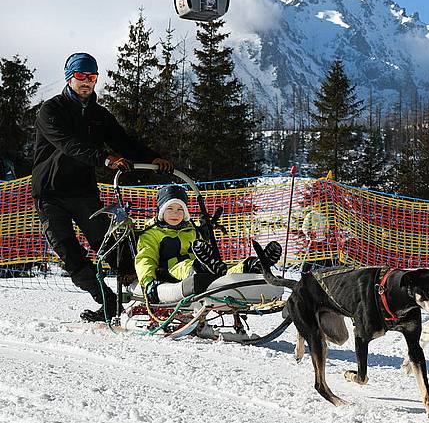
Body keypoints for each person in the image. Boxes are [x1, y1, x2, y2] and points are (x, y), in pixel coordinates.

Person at [33, 52, 174, 322]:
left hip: (82, 191)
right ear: (69, 77)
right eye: (81, 76)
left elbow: (123, 141)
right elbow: (68, 145)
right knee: (70, 252)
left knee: (109, 243)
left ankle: (146, 295)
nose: (87, 82)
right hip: (50, 195)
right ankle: (107, 301)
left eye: (92, 77)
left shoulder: (99, 115)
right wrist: (104, 159)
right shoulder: (51, 110)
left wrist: (150, 157)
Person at [136, 184, 283, 302]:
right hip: (169, 269)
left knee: (222, 268)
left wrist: (204, 231)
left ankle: (250, 266)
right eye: (170, 208)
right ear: (161, 211)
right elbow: (145, 258)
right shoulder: (151, 233)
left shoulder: (191, 229)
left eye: (180, 209)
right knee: (189, 265)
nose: (175, 213)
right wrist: (148, 282)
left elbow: (201, 245)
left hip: (199, 263)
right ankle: (202, 267)